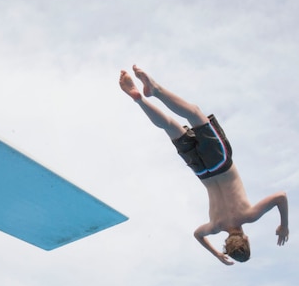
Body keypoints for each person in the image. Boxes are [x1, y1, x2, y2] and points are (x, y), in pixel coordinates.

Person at [119, 65, 289, 265]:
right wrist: (216, 253)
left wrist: (284, 225)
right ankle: (139, 99)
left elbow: (281, 196)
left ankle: (155, 90)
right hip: (201, 171)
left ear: (246, 239)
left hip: (220, 163)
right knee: (170, 126)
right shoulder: (214, 226)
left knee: (194, 113)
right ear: (226, 242)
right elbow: (197, 235)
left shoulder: (249, 216)